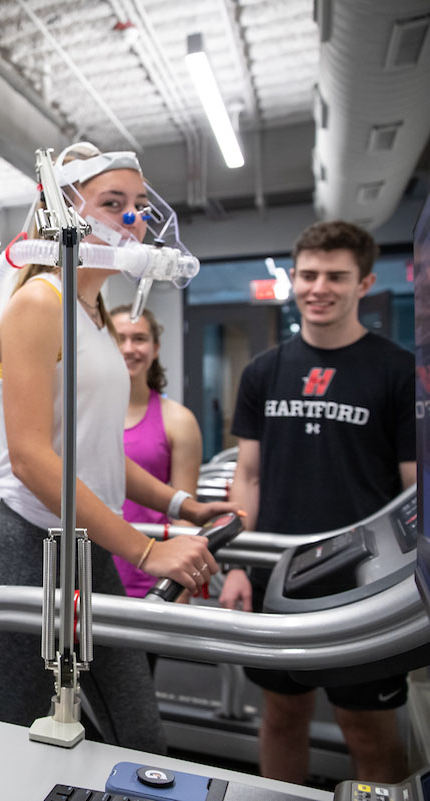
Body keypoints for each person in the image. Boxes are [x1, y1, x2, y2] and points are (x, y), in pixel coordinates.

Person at [0, 142, 234, 752]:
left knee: (135, 731)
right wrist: (147, 552)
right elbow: (34, 460)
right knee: (18, 737)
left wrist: (178, 507)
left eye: (140, 206)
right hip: (31, 546)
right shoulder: (40, 304)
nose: (133, 220)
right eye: (112, 203)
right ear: (66, 212)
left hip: (87, 546)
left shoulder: (95, 313)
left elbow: (97, 449)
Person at [219, 220, 415, 782]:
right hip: (277, 574)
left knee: (367, 730)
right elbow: (248, 476)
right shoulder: (263, 371)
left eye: (336, 275)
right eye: (307, 274)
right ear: (293, 280)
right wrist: (237, 565)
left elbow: (413, 489)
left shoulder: (397, 372)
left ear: (365, 282)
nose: (318, 287)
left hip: (365, 583)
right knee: (281, 715)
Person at [110, 305, 203, 600]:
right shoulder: (79, 417)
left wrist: (181, 586)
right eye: (118, 338)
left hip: (150, 573)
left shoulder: (178, 420)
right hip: (89, 567)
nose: (129, 348)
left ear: (155, 347)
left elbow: (184, 513)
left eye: (139, 339)